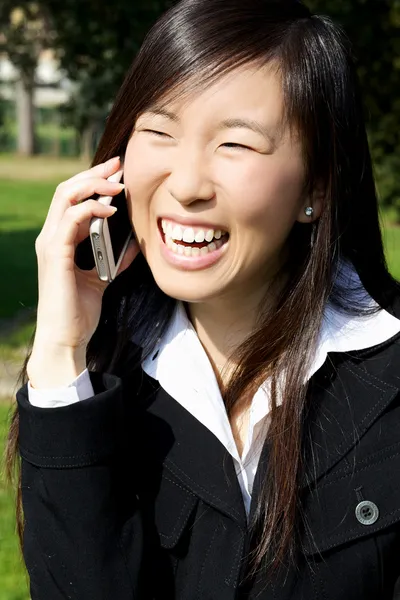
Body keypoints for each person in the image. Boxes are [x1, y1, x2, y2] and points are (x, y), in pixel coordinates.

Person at [6, 0, 400, 598]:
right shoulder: (100, 377)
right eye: (159, 131)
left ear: (317, 186)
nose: (186, 185)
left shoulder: (388, 377)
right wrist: (62, 354)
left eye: (236, 145)